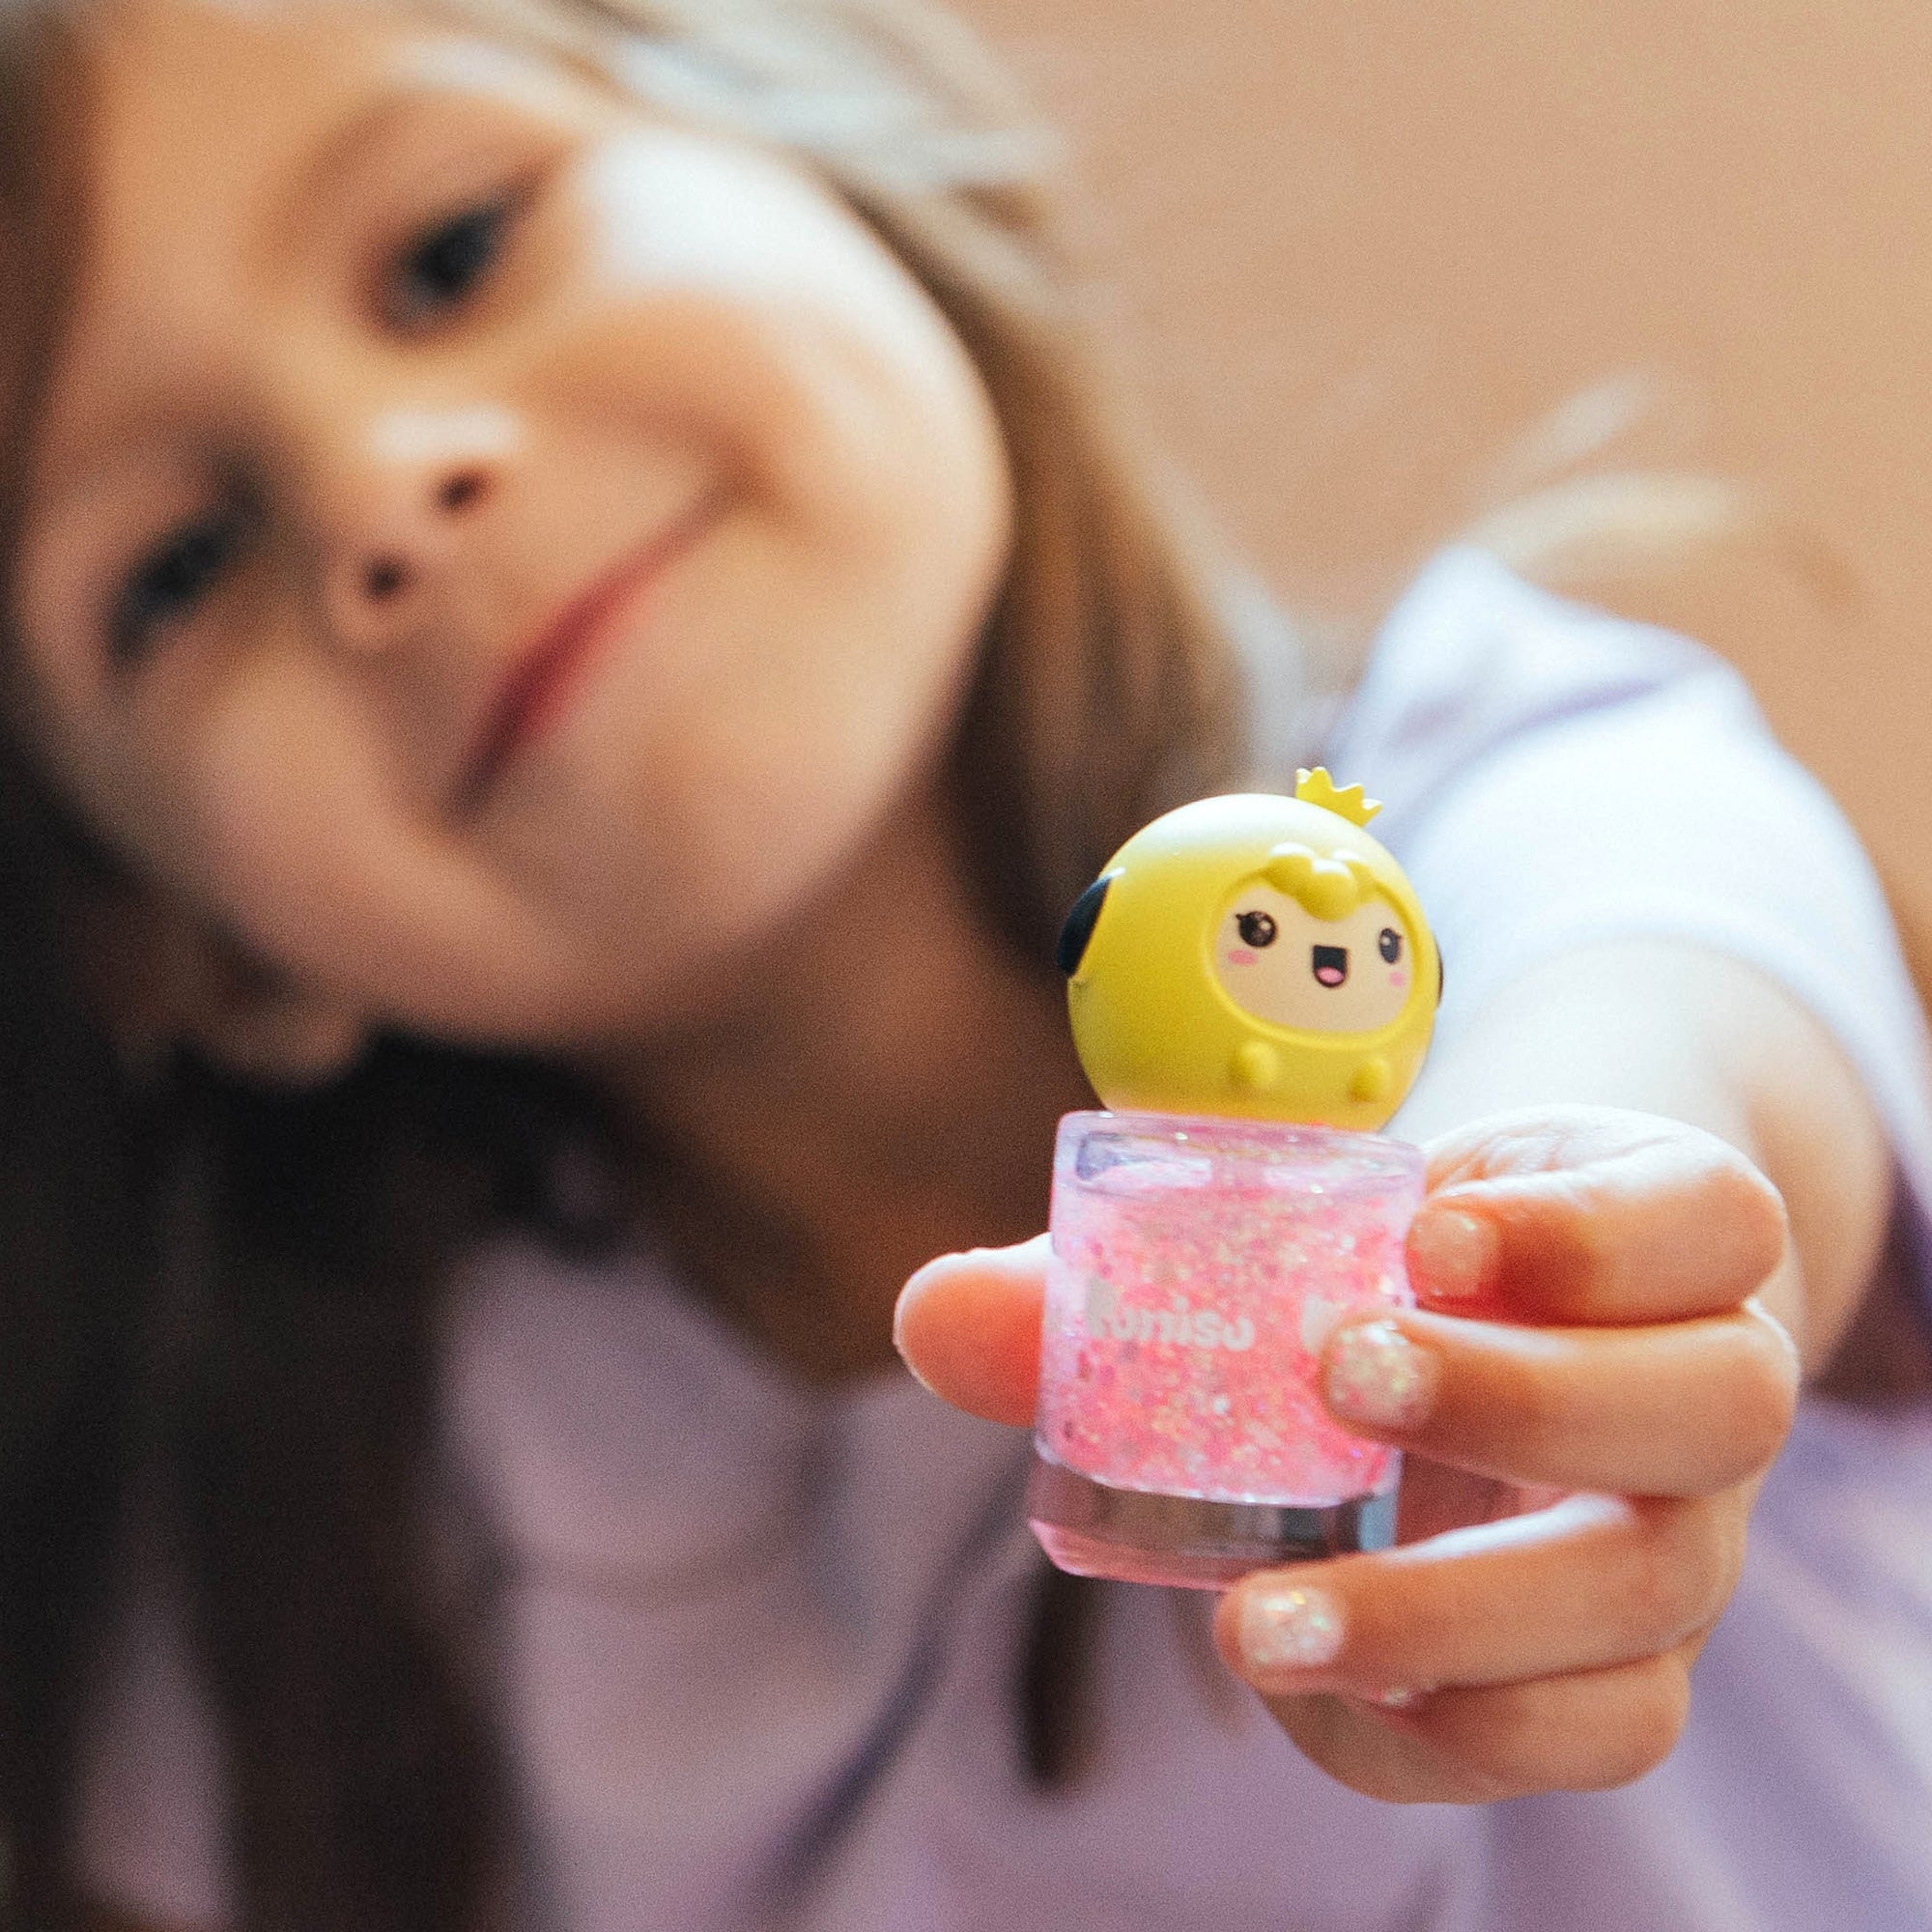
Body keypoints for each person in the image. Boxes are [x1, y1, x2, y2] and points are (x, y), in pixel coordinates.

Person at [0, 0, 1927, 1926]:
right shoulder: (286, 1595)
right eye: (175, 566)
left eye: (451, 249)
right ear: (182, 948)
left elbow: (1657, 1034)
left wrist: (1522, 1310)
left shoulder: (1522, 783)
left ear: (845, 156)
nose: (380, 488)